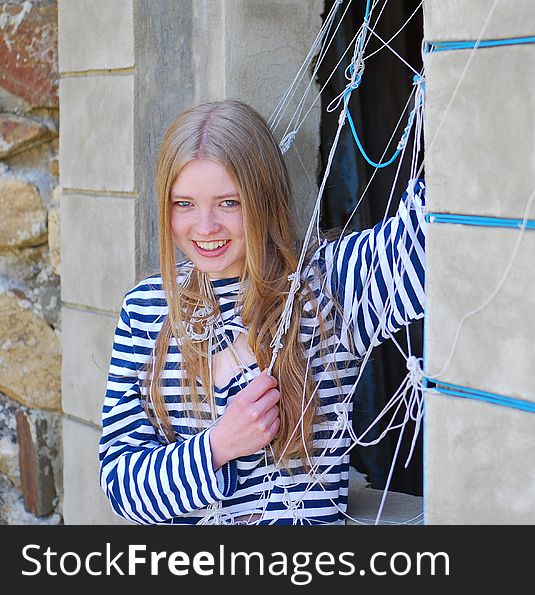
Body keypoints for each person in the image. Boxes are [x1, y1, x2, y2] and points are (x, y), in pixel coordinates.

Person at [98, 99, 426, 524]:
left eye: (228, 202)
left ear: (263, 197)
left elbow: (433, 239)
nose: (205, 226)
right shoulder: (146, 309)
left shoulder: (330, 285)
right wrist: (218, 446)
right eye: (184, 204)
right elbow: (122, 488)